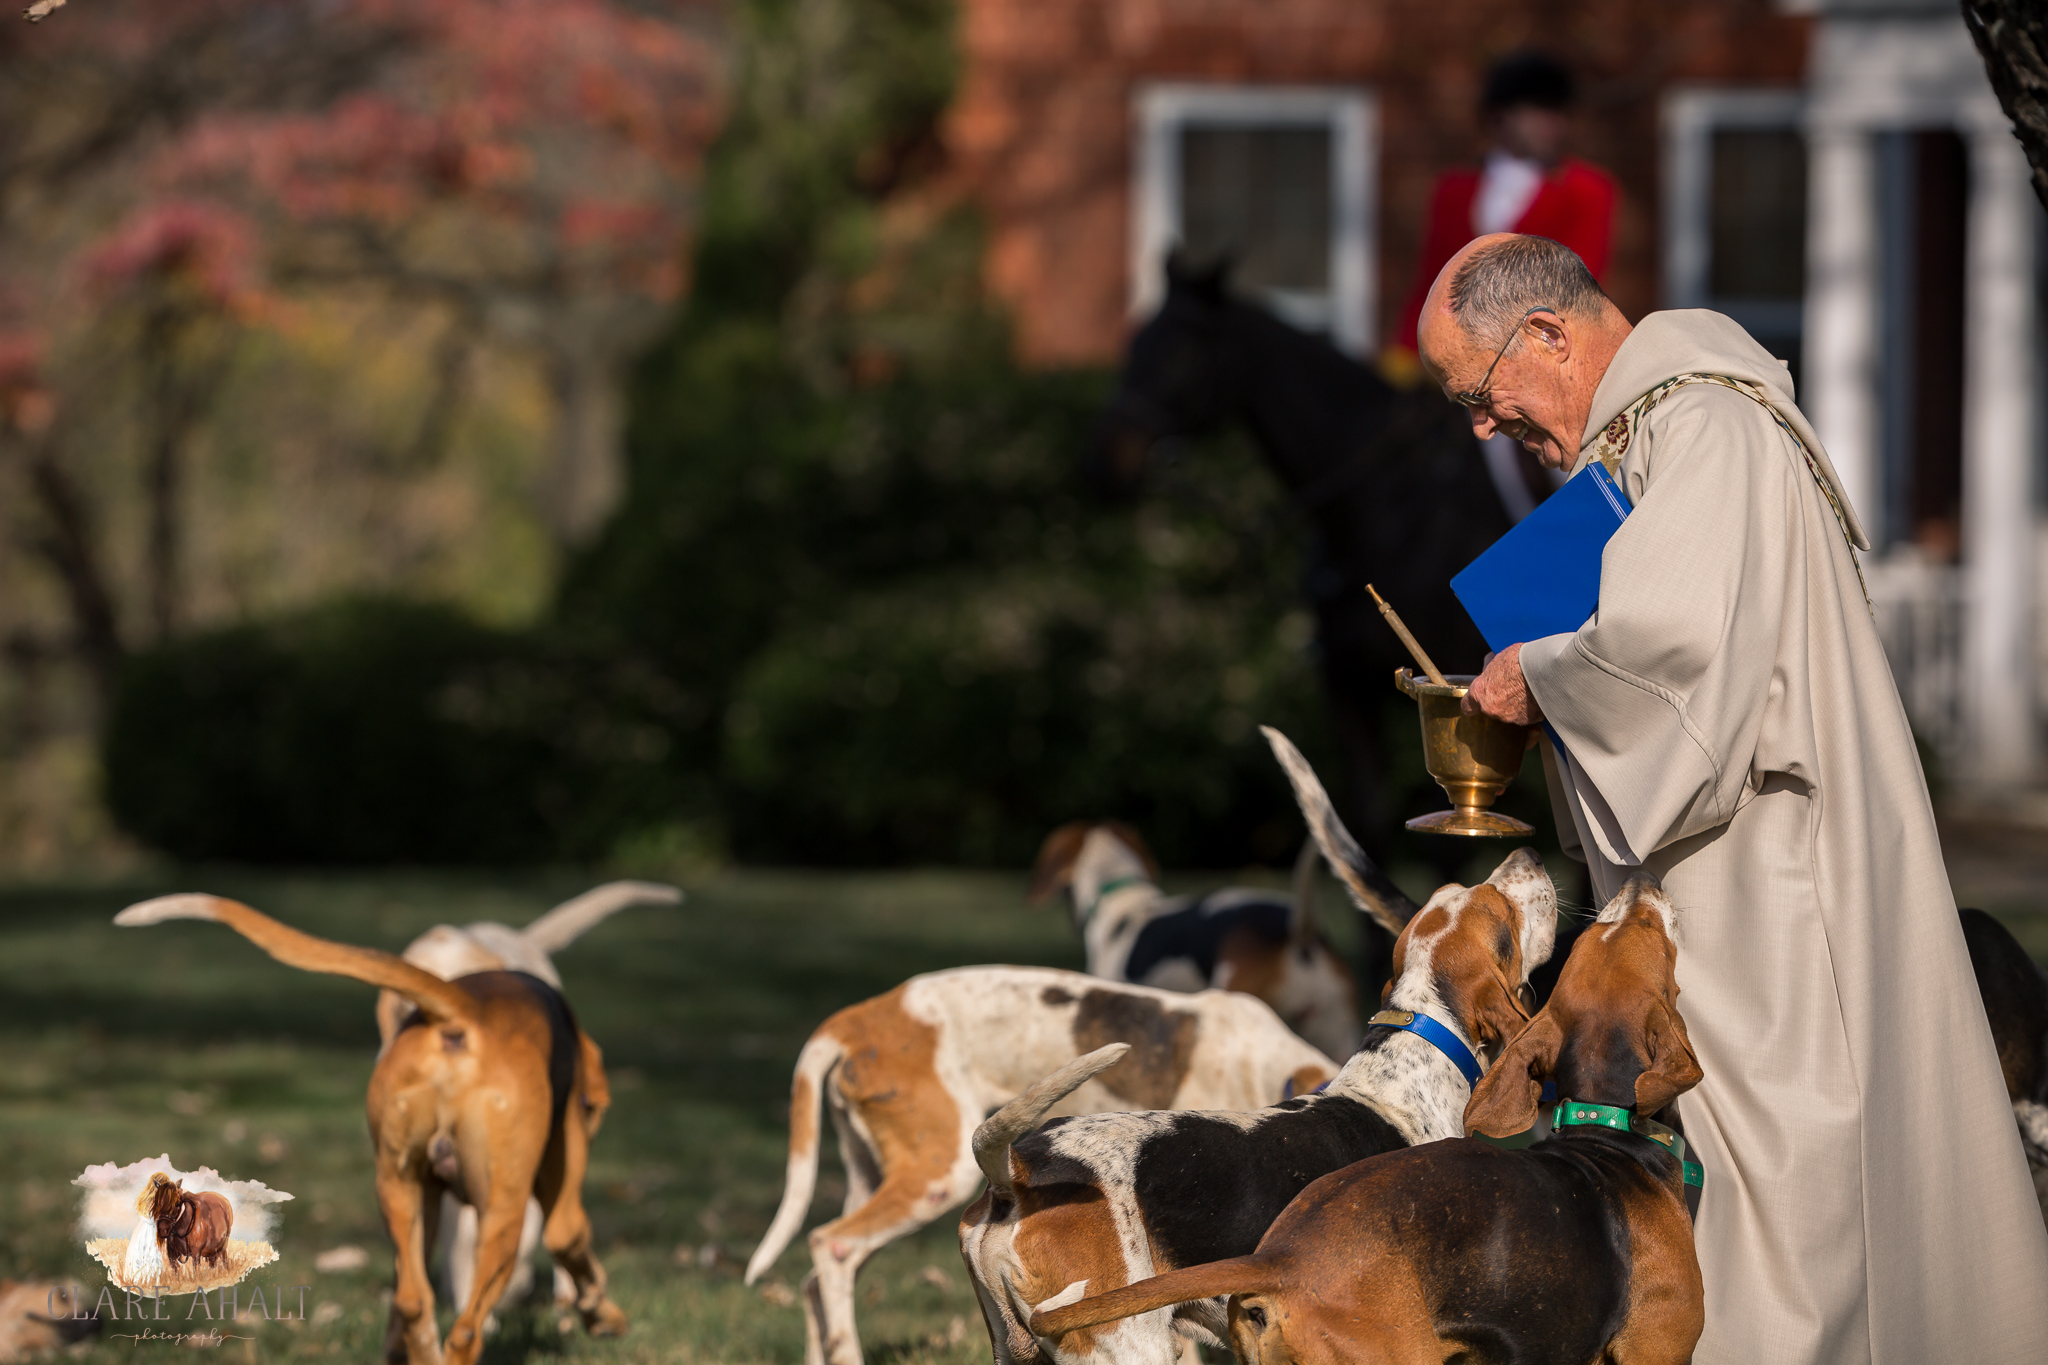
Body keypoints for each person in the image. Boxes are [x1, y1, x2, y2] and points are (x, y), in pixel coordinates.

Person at [1418, 232, 2048, 1362]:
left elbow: (1675, 657)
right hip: (1730, 866)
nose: (1479, 423)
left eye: (1478, 389)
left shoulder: (1702, 427)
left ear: (1547, 334)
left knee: (1793, 1211)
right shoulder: (1671, 427)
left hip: (1772, 886)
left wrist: (1537, 673)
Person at [1388, 51, 1617, 523]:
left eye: (1558, 114)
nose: (1553, 126)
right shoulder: (1453, 190)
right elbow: (1430, 279)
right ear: (1501, 118)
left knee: (1567, 464)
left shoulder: (1588, 190)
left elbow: (1574, 281)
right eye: (1540, 112)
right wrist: (1399, 356)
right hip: (1460, 373)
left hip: (1547, 359)